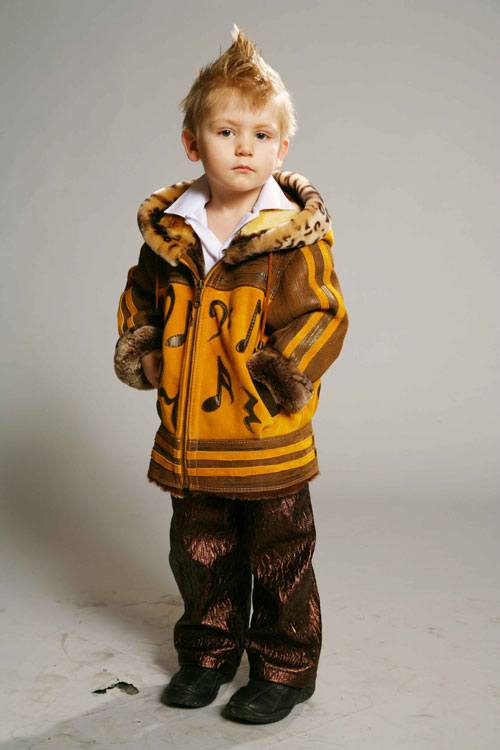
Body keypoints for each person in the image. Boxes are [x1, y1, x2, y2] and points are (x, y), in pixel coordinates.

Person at [114, 24, 349, 724]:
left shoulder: (289, 235)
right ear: (194, 143)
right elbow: (140, 299)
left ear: (282, 148)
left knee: (280, 554)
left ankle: (285, 666)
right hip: (192, 435)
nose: (244, 147)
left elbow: (324, 314)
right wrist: (147, 352)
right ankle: (208, 652)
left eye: (260, 134)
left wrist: (279, 378)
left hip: (263, 433)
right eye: (226, 132)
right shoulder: (173, 232)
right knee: (201, 549)